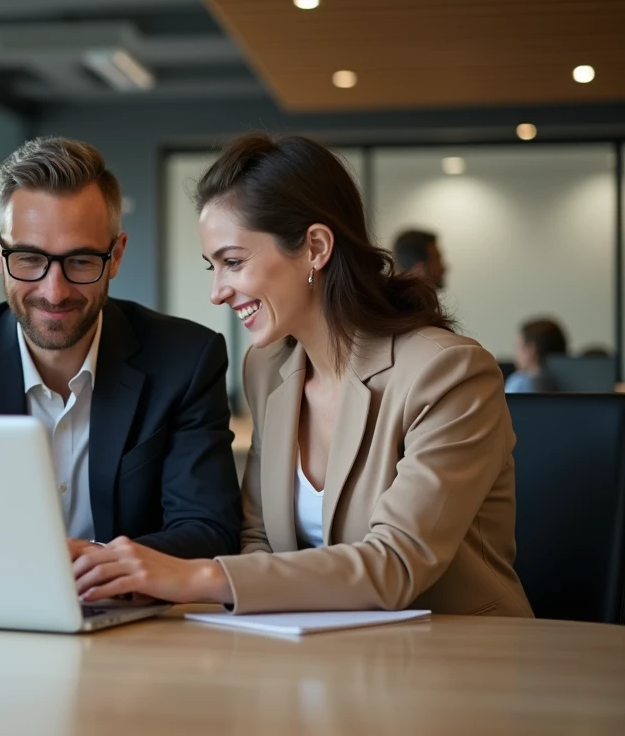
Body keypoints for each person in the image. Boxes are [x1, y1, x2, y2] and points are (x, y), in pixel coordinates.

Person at [73, 132, 532, 618]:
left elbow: (397, 563)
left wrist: (197, 576)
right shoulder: (267, 368)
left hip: (459, 659)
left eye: (233, 262)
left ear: (315, 246)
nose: (218, 292)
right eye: (213, 266)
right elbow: (260, 538)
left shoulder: (447, 373)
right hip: (319, 655)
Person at [0, 137, 240, 560]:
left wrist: (88, 565)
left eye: (80, 261)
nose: (54, 292)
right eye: (27, 258)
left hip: (129, 613)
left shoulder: (185, 359)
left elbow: (207, 530)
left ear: (115, 257)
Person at [505, 317, 566, 393]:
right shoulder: (568, 382)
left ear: (530, 350)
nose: (515, 354)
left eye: (518, 347)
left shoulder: (520, 382)